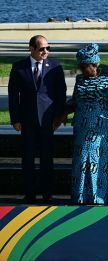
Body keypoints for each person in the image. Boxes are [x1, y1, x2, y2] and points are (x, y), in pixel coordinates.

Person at [8, 35, 66, 202]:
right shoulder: (19, 67)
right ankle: (30, 194)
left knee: (47, 159)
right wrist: (15, 119)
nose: (45, 51)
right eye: (42, 49)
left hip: (48, 121)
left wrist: (58, 117)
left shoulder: (55, 67)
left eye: (48, 48)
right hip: (26, 121)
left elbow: (60, 94)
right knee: (28, 158)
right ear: (31, 49)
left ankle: (47, 194)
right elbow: (13, 96)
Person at [70, 43, 108, 205]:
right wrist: (62, 112)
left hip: (101, 128)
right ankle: (79, 196)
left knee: (99, 162)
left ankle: (98, 197)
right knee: (81, 162)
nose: (84, 70)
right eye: (82, 67)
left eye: (87, 66)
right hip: (82, 126)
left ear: (96, 64)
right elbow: (74, 101)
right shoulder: (80, 80)